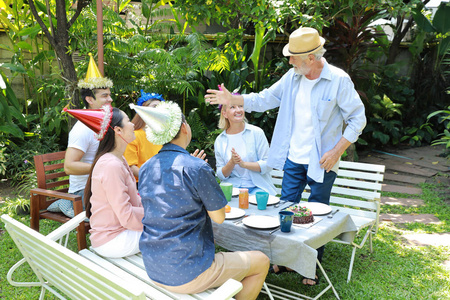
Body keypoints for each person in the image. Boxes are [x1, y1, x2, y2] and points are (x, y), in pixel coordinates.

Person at [205, 27, 367, 285]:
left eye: (293, 57)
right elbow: (264, 99)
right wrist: (232, 98)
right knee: (285, 210)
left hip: (322, 160)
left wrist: (336, 151)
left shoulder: (338, 80)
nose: (289, 61)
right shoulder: (292, 78)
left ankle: (311, 266)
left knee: (316, 214)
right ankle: (283, 260)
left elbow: (357, 119)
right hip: (294, 158)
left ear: (311, 58)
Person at [132, 102, 270, 300]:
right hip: (186, 271)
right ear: (183, 128)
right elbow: (219, 217)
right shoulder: (196, 167)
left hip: (154, 265)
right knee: (262, 261)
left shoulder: (146, 167)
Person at [64, 105, 144, 258]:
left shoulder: (117, 159)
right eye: (128, 120)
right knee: (177, 228)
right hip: (114, 241)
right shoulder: (111, 165)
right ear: (118, 130)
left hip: (121, 234)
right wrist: (157, 216)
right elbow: (126, 216)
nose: (133, 124)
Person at [48, 53, 114, 218]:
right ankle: (66, 203)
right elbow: (69, 166)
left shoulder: (106, 122)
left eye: (109, 94)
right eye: (105, 96)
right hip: (84, 190)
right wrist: (103, 168)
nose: (110, 99)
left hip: (103, 184)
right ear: (89, 99)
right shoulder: (82, 128)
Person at [214, 103, 277, 195]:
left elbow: (268, 165)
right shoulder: (220, 140)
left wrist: (243, 164)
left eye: (240, 106)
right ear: (225, 114)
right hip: (233, 189)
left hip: (258, 188)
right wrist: (232, 162)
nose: (238, 110)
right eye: (233, 107)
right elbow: (221, 175)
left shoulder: (257, 133)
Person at [124, 90, 164, 182]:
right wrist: (153, 178)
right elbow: (131, 166)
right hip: (141, 183)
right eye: (155, 106)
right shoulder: (134, 135)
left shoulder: (163, 135)